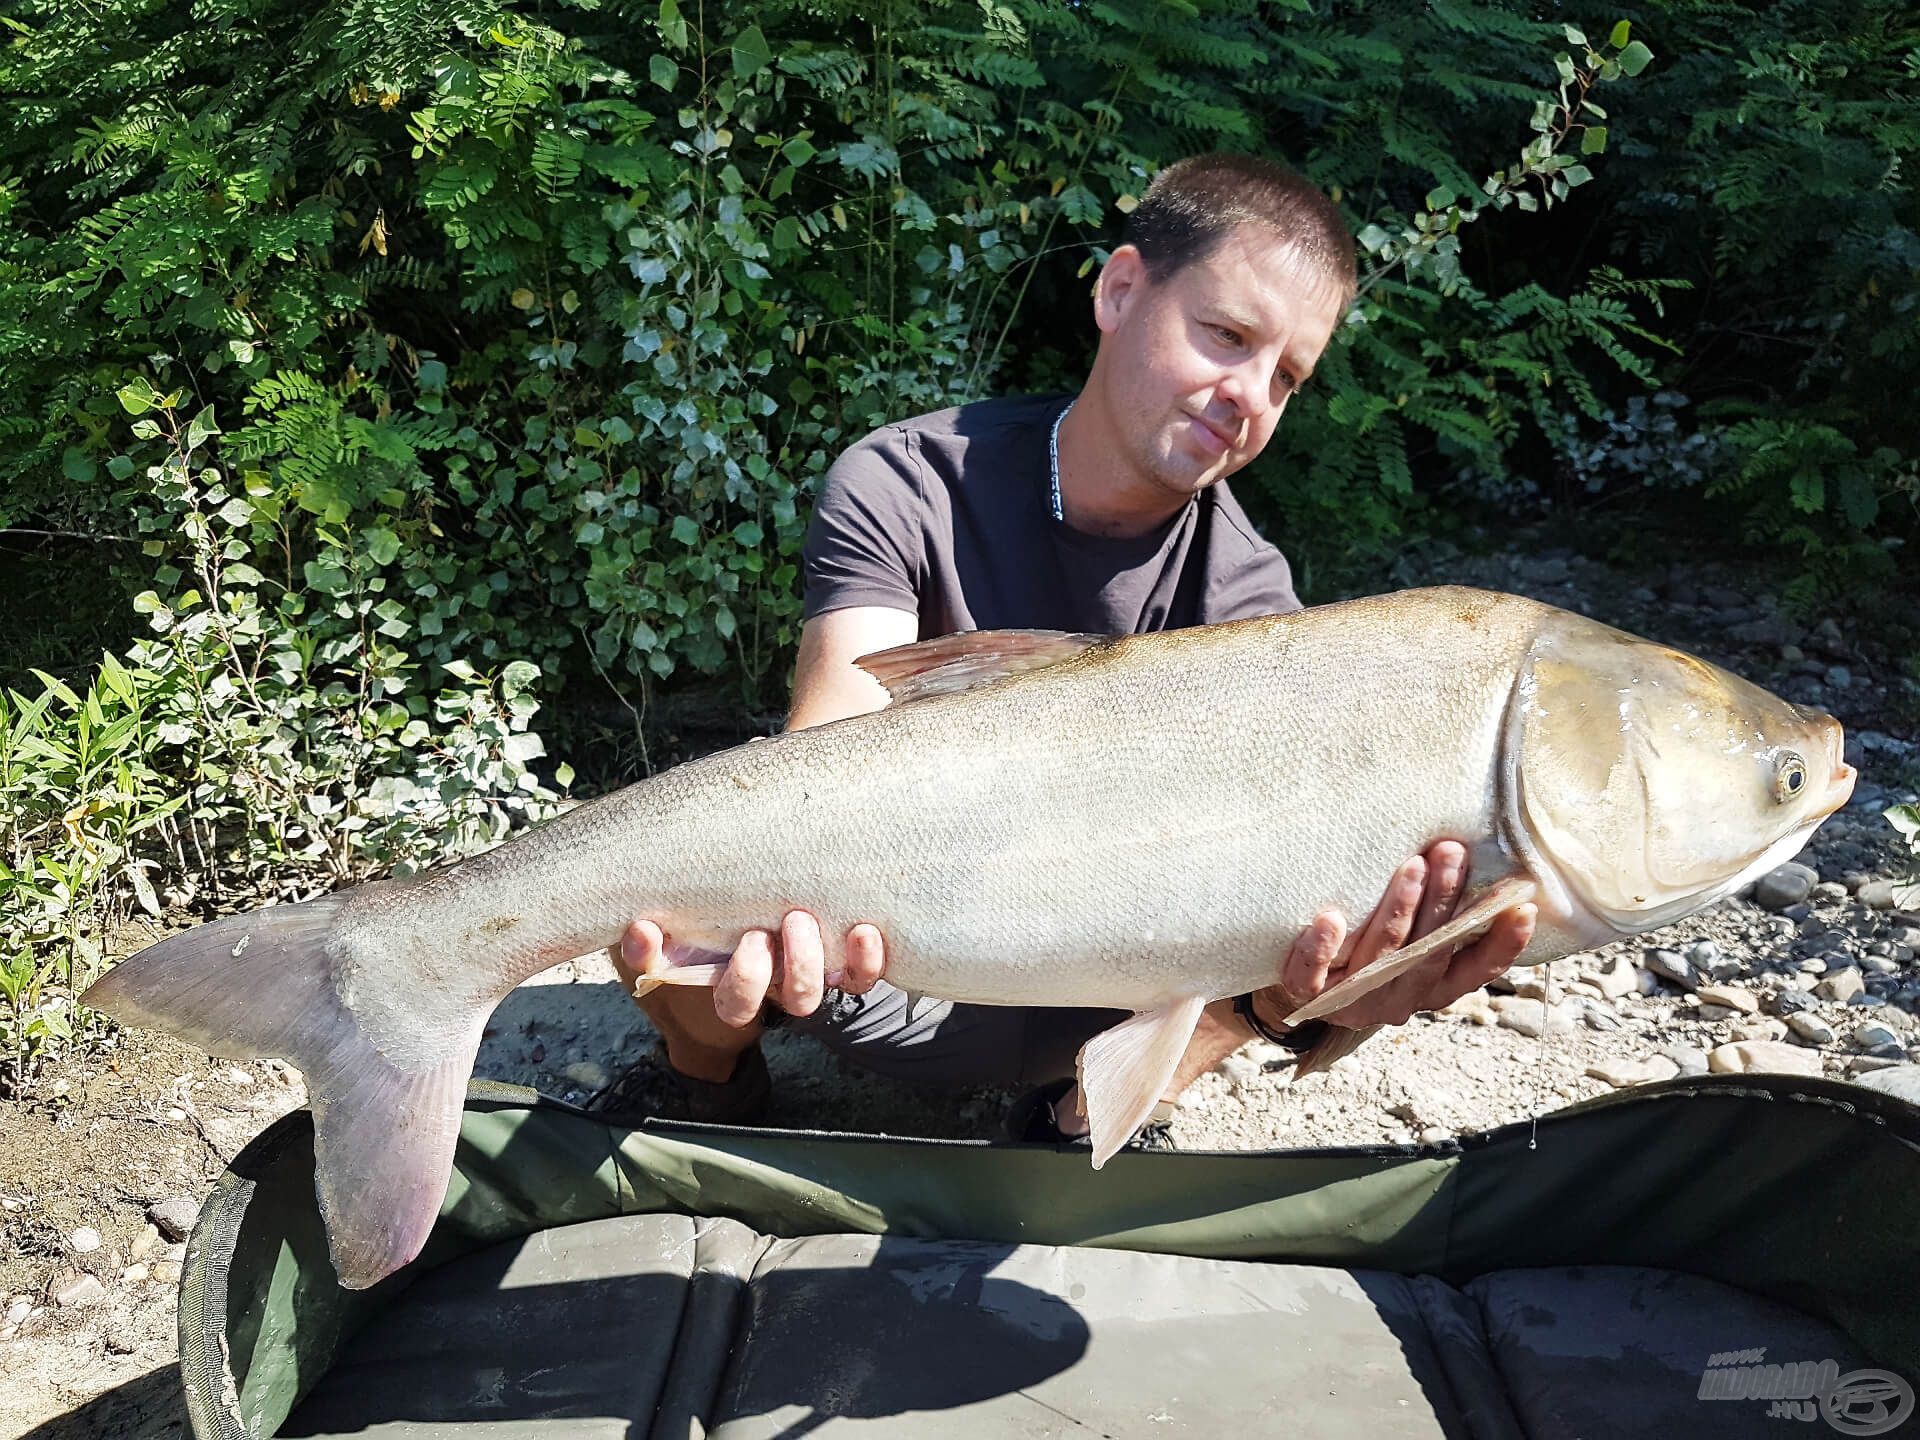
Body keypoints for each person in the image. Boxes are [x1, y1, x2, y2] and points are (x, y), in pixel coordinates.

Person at [604, 153, 1536, 1141]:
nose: (1250, 395)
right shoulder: (904, 480)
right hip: (865, 967)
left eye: (1288, 376)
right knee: (665, 897)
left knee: (1319, 938)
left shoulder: (1261, 613)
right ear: (1121, 290)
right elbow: (827, 745)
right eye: (1227, 336)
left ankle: (1078, 1118)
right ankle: (711, 1081)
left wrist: (1317, 987)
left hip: (1101, 1008)